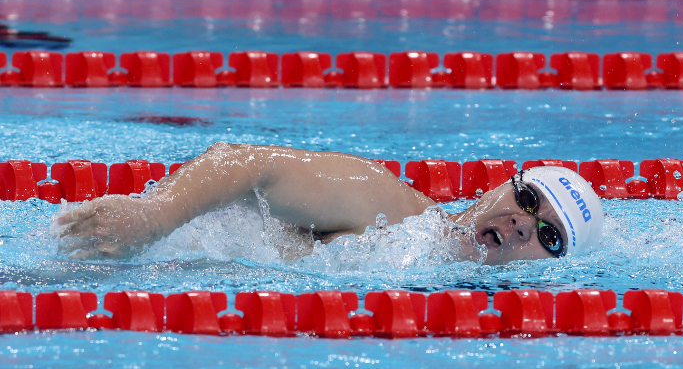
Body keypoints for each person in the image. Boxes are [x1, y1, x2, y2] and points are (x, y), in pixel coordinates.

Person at [57, 142, 603, 265]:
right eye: (528, 198)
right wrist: (155, 217)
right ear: (500, 186)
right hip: (121, 258)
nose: (520, 224)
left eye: (548, 236)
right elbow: (244, 163)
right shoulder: (394, 211)